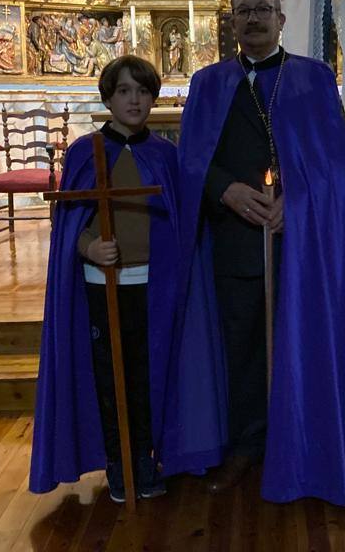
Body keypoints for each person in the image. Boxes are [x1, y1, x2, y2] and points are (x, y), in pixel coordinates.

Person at [177, 0, 345, 505]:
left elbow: (335, 161)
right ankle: (246, 445)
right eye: (242, 11)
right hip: (236, 241)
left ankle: (307, 443)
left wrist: (298, 201)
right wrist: (226, 190)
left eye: (262, 10)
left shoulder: (312, 78)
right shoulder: (209, 82)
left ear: (282, 18)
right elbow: (193, 158)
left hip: (301, 244)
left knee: (303, 342)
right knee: (242, 347)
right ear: (233, 22)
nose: (253, 20)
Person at [30, 56, 224, 502]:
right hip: (103, 286)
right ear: (108, 97)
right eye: (123, 91)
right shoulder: (85, 152)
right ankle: (118, 461)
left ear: (154, 97)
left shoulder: (165, 155)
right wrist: (90, 248)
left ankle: (147, 455)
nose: (134, 100)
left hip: (156, 287)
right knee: (109, 376)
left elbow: (182, 221)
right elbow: (69, 225)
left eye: (142, 91)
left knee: (148, 373)